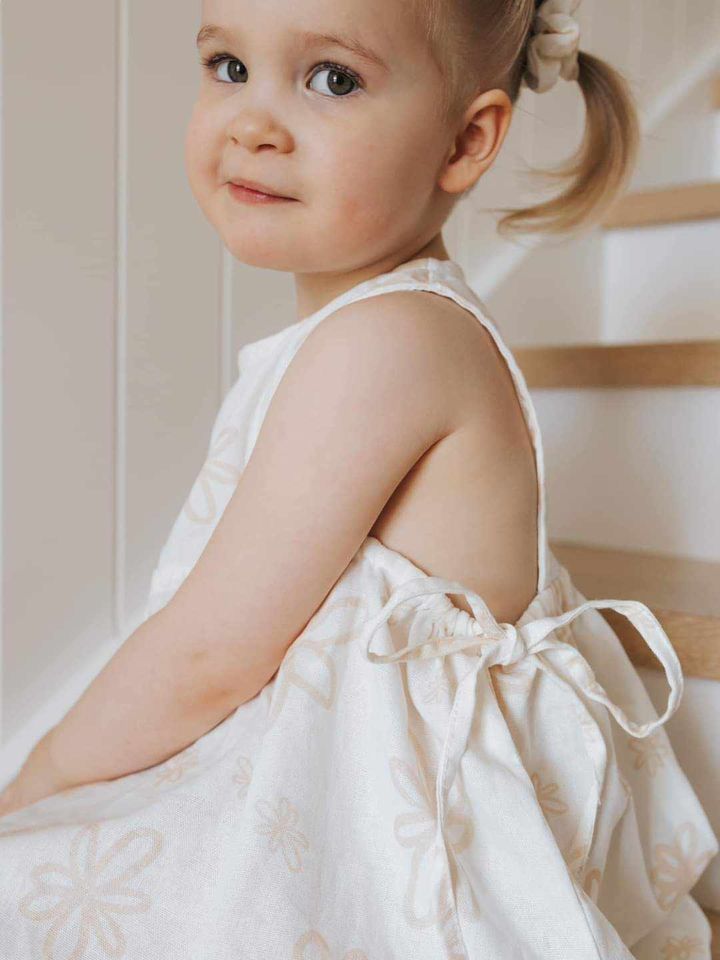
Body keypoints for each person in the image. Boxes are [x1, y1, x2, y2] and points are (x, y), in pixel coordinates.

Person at [0, 0, 717, 956]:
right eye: (227, 66)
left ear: (465, 142)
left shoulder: (392, 340)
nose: (253, 123)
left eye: (331, 79)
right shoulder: (363, 332)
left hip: (396, 830)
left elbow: (207, 657)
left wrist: (38, 775)